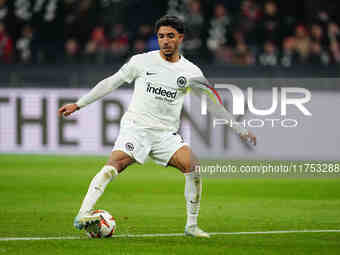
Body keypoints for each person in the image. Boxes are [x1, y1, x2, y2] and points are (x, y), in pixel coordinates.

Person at [58, 15, 256, 238]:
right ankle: (83, 214)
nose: (165, 41)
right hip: (137, 127)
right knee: (116, 163)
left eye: (170, 36)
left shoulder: (191, 72)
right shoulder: (141, 62)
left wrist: (239, 129)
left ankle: (191, 226)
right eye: (161, 36)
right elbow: (111, 82)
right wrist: (79, 104)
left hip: (165, 135)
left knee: (193, 166)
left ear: (180, 38)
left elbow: (214, 104)